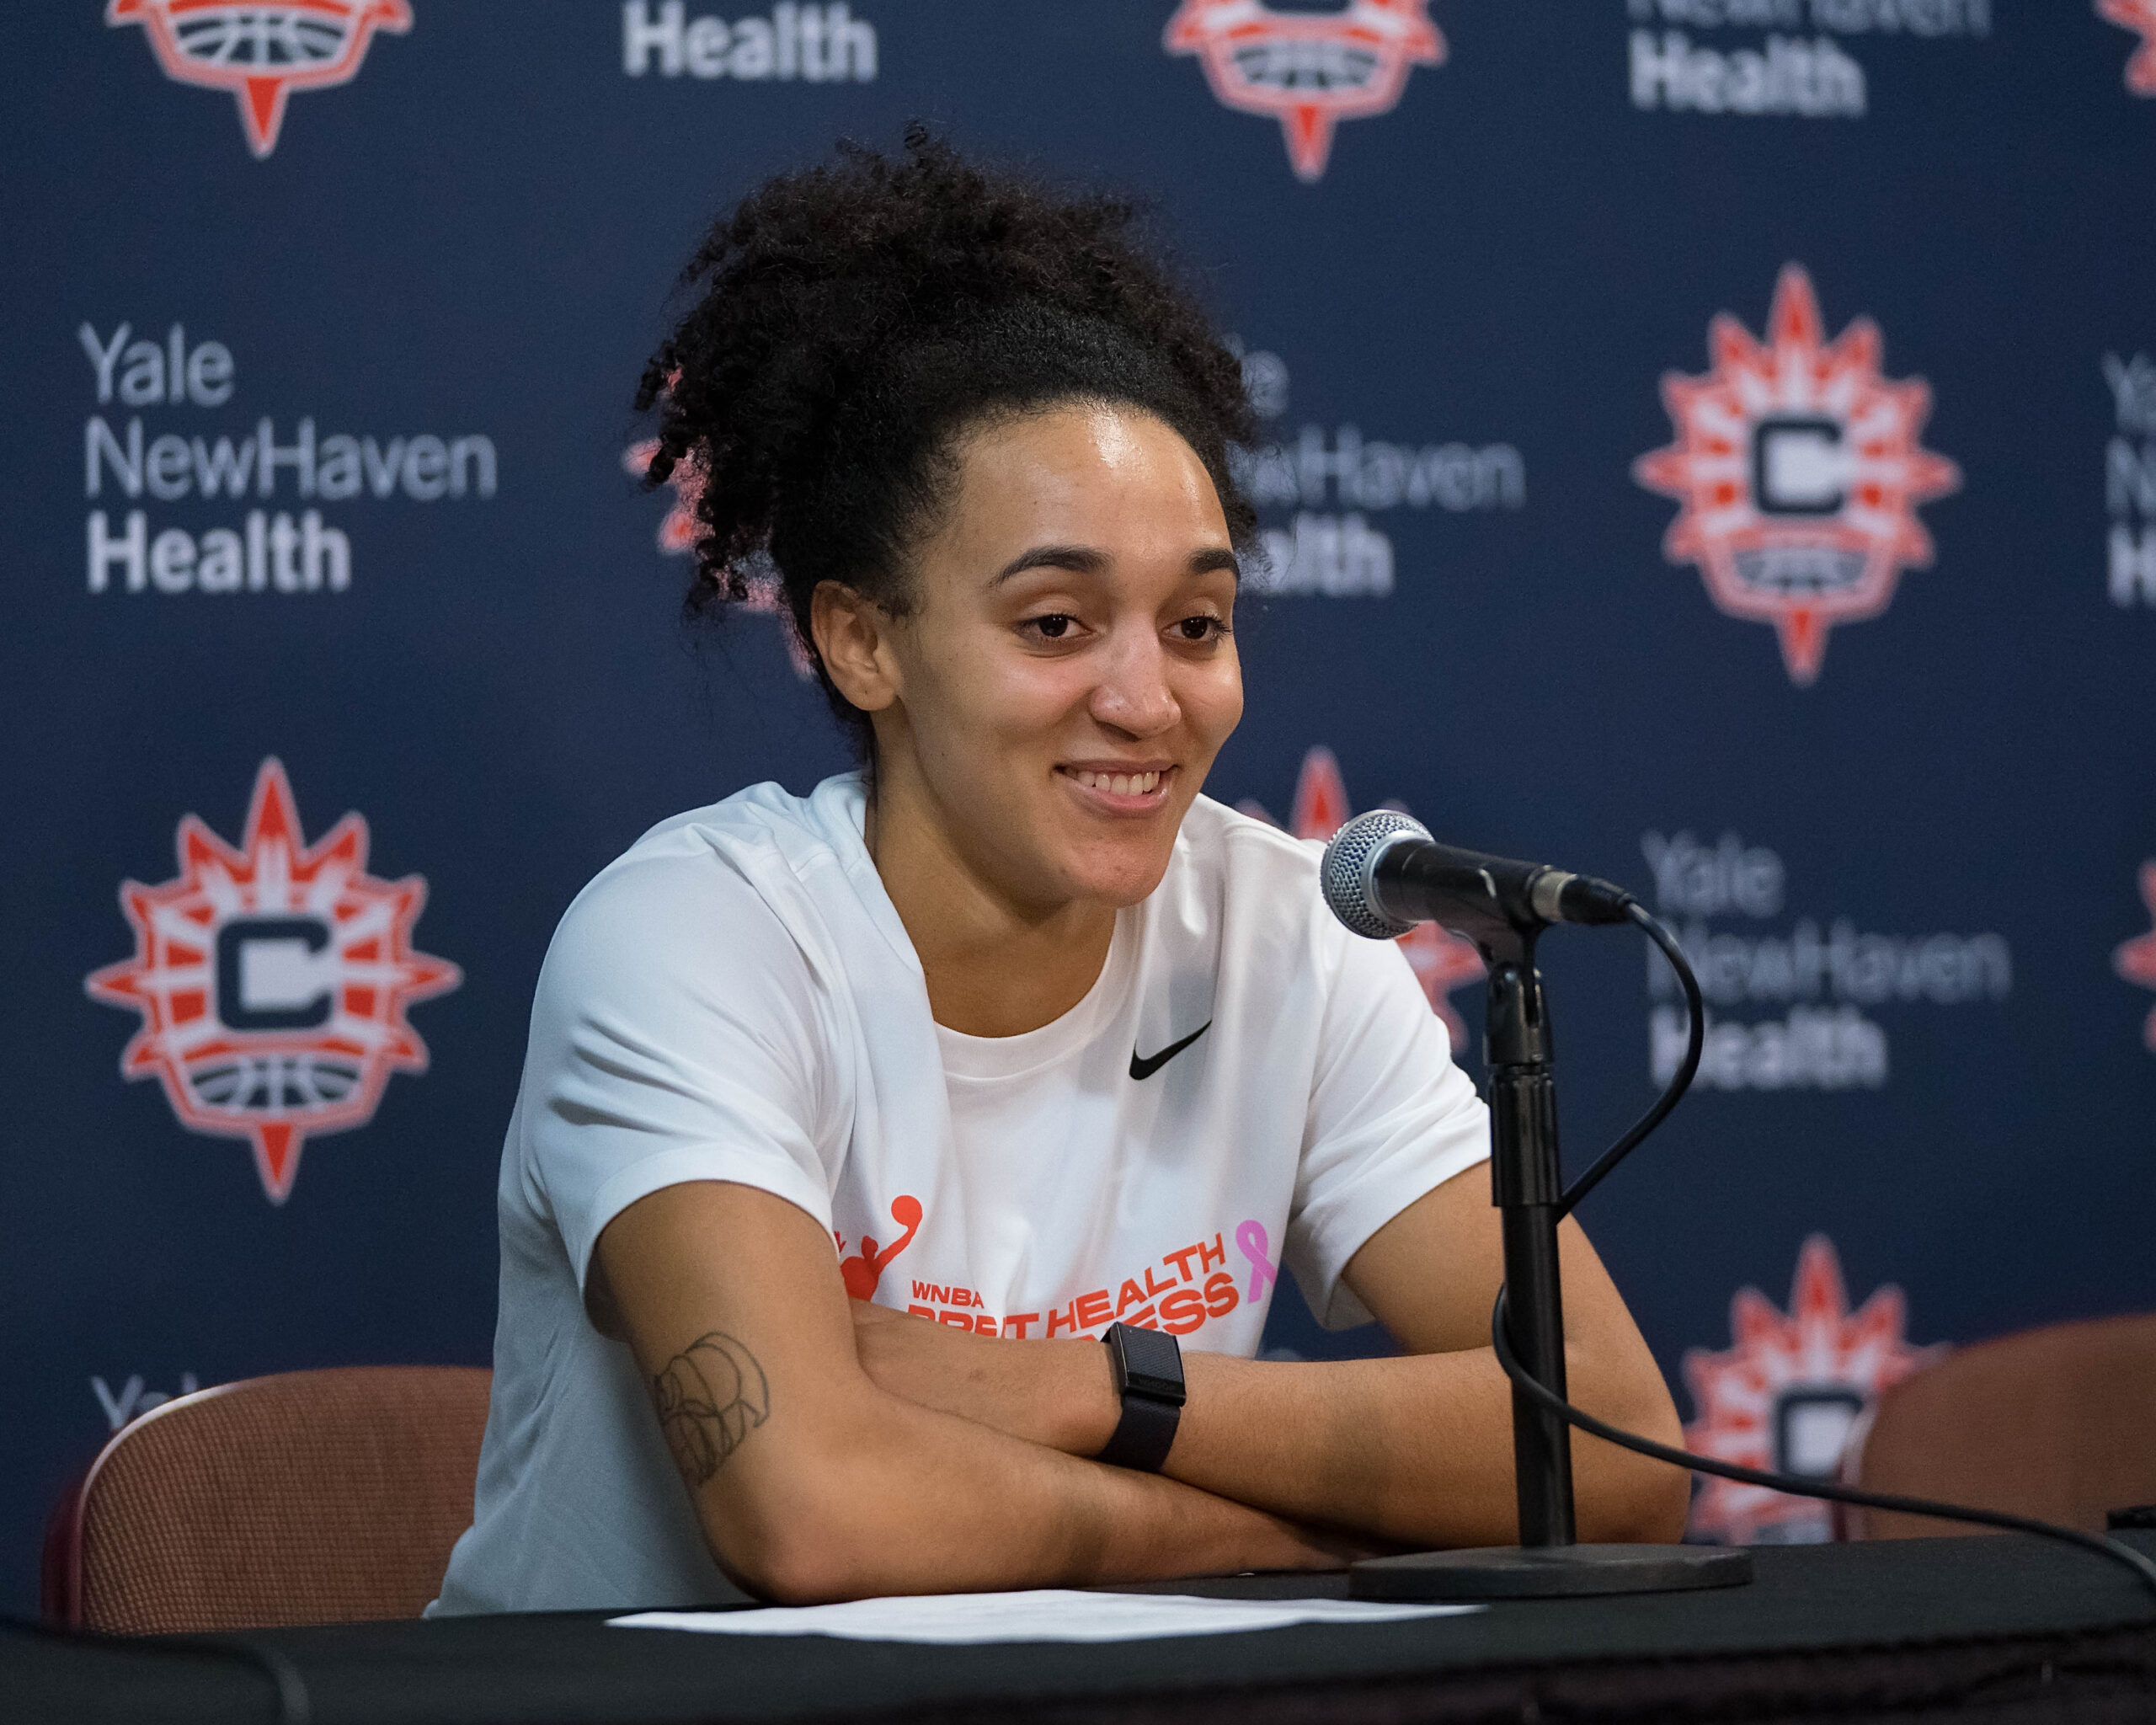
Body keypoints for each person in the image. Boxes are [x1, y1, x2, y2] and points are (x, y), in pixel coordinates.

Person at [431, 132, 1685, 1616]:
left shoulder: (1283, 928)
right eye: (1054, 625)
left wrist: (1099, 1389)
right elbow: (813, 1518)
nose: (1148, 700)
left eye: (1197, 625)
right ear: (861, 641)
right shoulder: (697, 939)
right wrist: (1280, 1545)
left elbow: (1615, 1452)